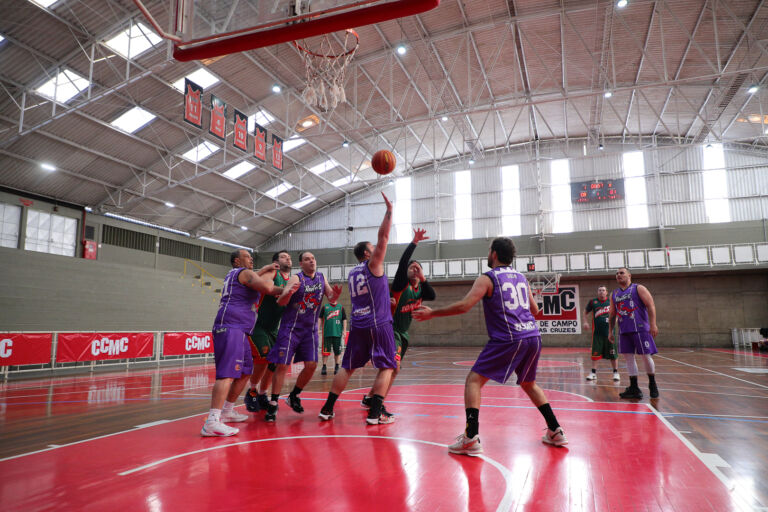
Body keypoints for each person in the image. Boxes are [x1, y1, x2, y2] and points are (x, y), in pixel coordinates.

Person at [413, 237, 567, 455]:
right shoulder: (521, 278)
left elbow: (465, 306)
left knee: (473, 381)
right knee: (529, 383)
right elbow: (535, 311)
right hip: (533, 336)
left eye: (488, 251)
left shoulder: (488, 278)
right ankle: (555, 430)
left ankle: (470, 437)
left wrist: (433, 313)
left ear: (494, 254)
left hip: (509, 337)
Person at [318, 192, 397, 425]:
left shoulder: (353, 272)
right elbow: (383, 236)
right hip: (378, 323)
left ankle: (327, 407)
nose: (377, 250)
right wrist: (389, 212)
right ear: (366, 253)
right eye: (372, 248)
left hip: (359, 324)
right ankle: (375, 413)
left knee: (347, 367)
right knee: (387, 367)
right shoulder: (373, 264)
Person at [201, 249, 289, 436]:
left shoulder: (241, 276)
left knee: (246, 371)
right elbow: (268, 289)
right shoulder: (242, 273)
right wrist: (291, 290)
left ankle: (226, 411)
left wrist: (265, 268)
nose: (251, 259)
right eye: (247, 256)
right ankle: (212, 421)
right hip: (230, 326)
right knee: (226, 374)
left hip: (241, 329)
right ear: (236, 261)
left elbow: (254, 279)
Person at [361, 228, 435, 414]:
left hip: (403, 333)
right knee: (392, 368)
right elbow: (403, 264)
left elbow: (432, 296)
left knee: (393, 370)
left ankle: (370, 398)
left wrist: (423, 277)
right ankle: (378, 404)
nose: (414, 269)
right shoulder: (402, 285)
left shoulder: (421, 290)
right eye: (412, 267)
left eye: (418, 267)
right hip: (390, 329)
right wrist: (414, 242)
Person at [264, 251, 342, 422]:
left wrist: (335, 294)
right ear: (301, 264)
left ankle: (294, 395)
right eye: (307, 259)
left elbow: (330, 298)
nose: (311, 261)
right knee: (282, 365)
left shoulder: (322, 277)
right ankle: (273, 403)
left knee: (312, 365)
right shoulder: (296, 278)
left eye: (313, 258)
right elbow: (281, 302)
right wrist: (288, 293)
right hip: (291, 328)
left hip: (310, 329)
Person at [244, 250, 292, 413]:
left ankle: (262, 394)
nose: (288, 258)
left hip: (274, 328)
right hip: (258, 324)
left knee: (275, 363)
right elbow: (266, 287)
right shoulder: (273, 272)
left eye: (289, 257)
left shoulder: (292, 280)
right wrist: (288, 291)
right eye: (284, 256)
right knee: (263, 357)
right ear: (276, 262)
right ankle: (251, 391)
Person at [608, 267, 659, 399]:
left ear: (629, 275)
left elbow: (651, 305)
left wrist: (653, 324)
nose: (618, 275)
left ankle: (652, 384)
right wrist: (610, 331)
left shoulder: (638, 288)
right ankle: (634, 387)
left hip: (640, 328)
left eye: (621, 273)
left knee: (645, 356)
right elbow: (612, 314)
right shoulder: (614, 294)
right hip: (624, 330)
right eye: (617, 274)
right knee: (628, 358)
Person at [583, 285, 620, 382]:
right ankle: (593, 373)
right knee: (595, 354)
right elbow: (585, 312)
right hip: (597, 334)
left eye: (603, 290)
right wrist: (585, 322)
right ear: (597, 292)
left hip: (610, 333)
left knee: (613, 353)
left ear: (606, 292)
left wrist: (615, 320)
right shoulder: (593, 302)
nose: (601, 292)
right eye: (599, 290)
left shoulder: (611, 302)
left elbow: (617, 313)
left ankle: (616, 373)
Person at [319, 299, 347, 375]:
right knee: (325, 352)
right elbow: (320, 318)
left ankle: (337, 367)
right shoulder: (325, 307)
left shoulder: (340, 307)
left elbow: (344, 319)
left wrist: (344, 330)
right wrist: (317, 328)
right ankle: (324, 367)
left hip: (337, 333)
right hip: (326, 333)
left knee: (337, 352)